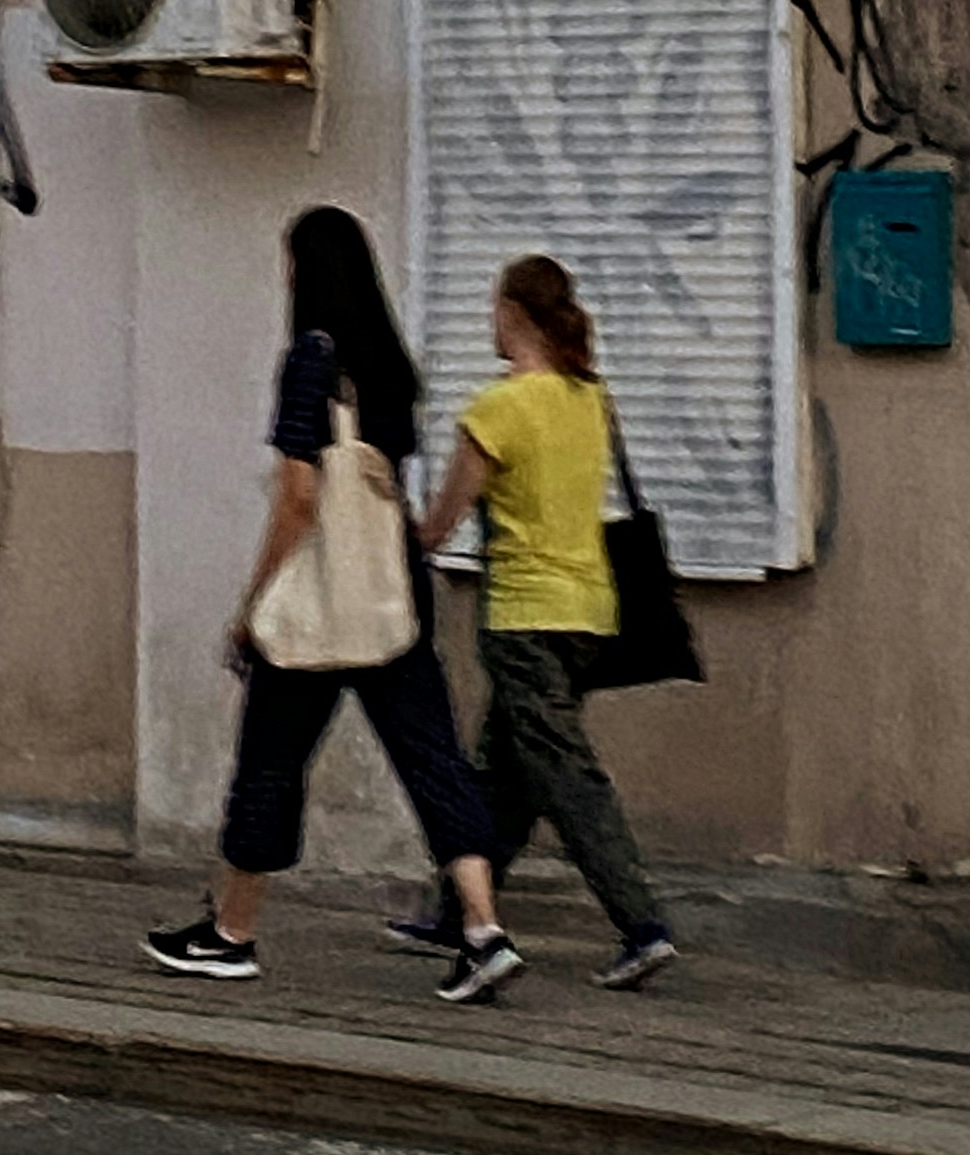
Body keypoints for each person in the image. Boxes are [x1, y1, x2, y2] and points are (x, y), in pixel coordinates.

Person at [144, 206, 523, 1004]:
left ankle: (232, 933)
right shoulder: (389, 364)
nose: (283, 274)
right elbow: (385, 475)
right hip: (390, 595)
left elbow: (298, 497)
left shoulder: (310, 360)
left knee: (271, 764)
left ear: (307, 271)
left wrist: (254, 603)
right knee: (434, 759)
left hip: (317, 600)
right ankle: (483, 929)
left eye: (288, 260)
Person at [395, 251, 677, 991]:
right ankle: (457, 911)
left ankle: (641, 923)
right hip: (590, 611)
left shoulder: (499, 408)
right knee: (504, 772)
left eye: (495, 307)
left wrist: (405, 529)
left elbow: (441, 521)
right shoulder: (589, 397)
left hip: (525, 615)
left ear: (514, 315)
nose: (490, 320)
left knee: (563, 771)